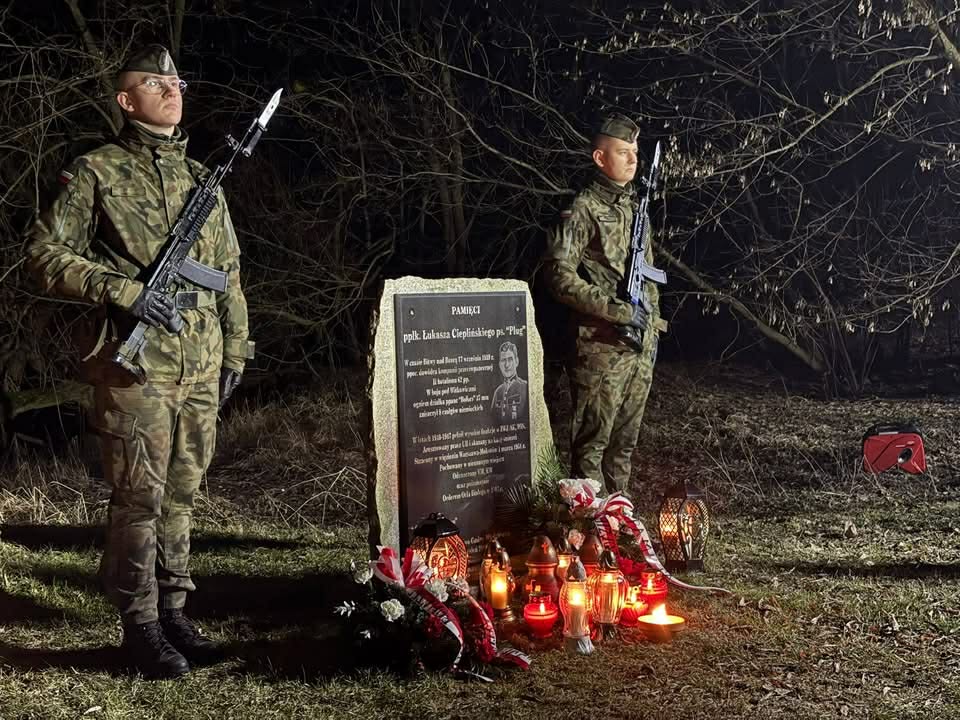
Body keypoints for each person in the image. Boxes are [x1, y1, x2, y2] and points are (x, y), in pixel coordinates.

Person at [24, 44, 251, 679]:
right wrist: (123, 291)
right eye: (156, 82)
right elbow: (43, 256)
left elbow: (228, 275)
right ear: (127, 100)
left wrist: (238, 348)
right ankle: (140, 623)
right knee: (139, 498)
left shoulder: (203, 178)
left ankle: (175, 610)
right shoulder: (93, 172)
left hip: (200, 364)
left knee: (182, 494)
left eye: (178, 80)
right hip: (136, 367)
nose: (173, 89)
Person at [542, 114, 666, 494]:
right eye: (623, 152)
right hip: (601, 347)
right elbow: (558, 276)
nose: (633, 160)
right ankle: (590, 537)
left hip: (639, 346)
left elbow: (647, 275)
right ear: (599, 158)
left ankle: (622, 533)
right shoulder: (583, 209)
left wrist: (651, 324)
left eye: (635, 153)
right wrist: (615, 309)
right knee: (591, 452)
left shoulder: (634, 208)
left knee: (623, 451)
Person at [491, 341, 529, 424]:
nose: (507, 365)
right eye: (503, 360)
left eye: (510, 359)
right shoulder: (498, 392)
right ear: (499, 364)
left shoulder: (526, 387)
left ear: (517, 361)